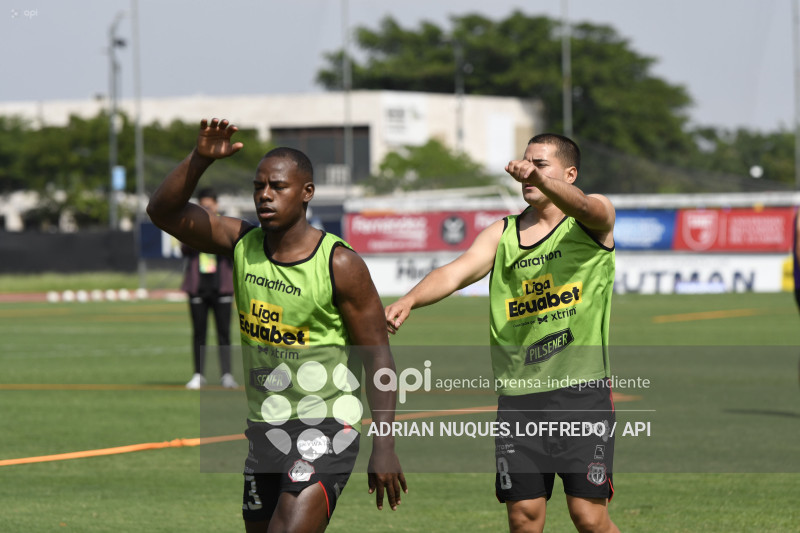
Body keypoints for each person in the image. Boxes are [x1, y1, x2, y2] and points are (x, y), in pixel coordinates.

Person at [147, 118, 406, 532]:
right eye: (258, 186)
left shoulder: (339, 264)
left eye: (278, 186)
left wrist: (385, 445)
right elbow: (162, 211)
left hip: (327, 424)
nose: (265, 195)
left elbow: (378, 358)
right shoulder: (241, 243)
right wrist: (199, 159)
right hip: (264, 427)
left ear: (307, 192)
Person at [385, 133, 619, 533]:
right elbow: (455, 272)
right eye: (526, 163)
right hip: (518, 400)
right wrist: (409, 300)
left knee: (589, 518)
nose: (528, 172)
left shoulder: (591, 220)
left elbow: (584, 205)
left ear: (569, 174)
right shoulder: (503, 233)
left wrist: (542, 181)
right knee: (523, 519)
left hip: (581, 396)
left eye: (540, 165)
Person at [180, 187, 238, 390]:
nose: (206, 209)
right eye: (202, 206)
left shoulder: (225, 224)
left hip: (221, 285)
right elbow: (184, 249)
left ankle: (227, 375)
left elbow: (233, 249)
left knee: (224, 332)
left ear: (216, 205)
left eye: (209, 205)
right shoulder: (192, 225)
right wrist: (196, 231)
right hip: (198, 285)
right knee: (199, 332)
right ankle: (198, 375)